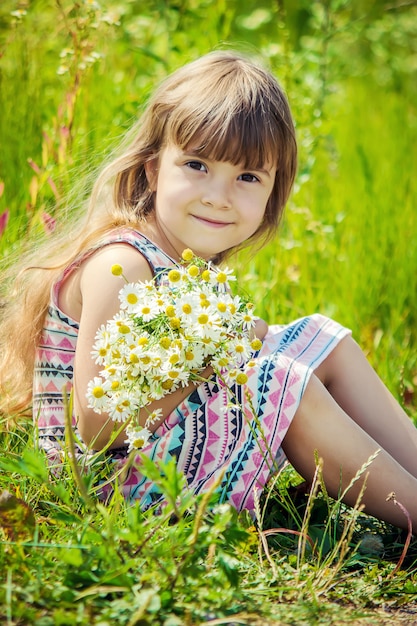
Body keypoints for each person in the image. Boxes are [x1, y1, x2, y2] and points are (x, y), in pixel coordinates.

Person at [1, 50, 417, 530]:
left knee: (325, 341)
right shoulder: (123, 265)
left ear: (272, 192)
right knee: (277, 381)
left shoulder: (179, 262)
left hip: (158, 453)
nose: (218, 196)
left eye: (246, 177)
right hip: (110, 487)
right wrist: (219, 360)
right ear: (154, 168)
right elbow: (98, 427)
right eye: (197, 165)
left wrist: (231, 349)